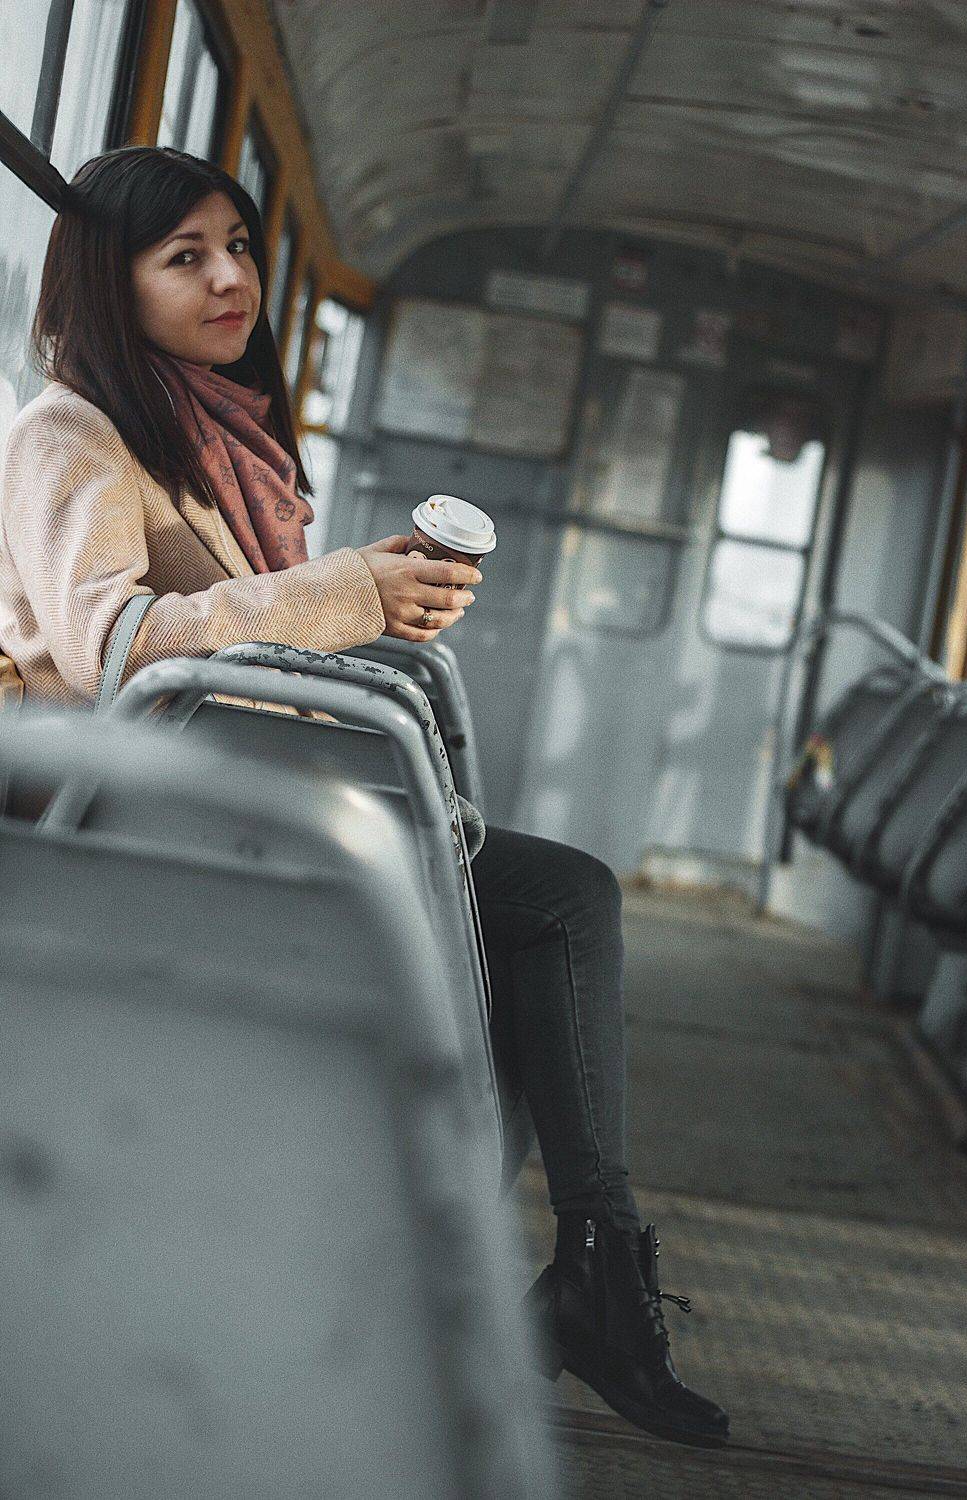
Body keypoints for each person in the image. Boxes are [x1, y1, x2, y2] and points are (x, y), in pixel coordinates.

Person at [0, 146, 728, 1448]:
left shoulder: (201, 427)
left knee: (541, 925)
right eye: (185, 257)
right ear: (111, 283)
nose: (232, 278)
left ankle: (572, 1268)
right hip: (134, 823)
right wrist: (346, 594)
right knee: (555, 909)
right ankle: (567, 1277)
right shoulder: (71, 433)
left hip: (226, 799)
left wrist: (370, 599)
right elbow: (113, 645)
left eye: (237, 244)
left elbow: (237, 621)